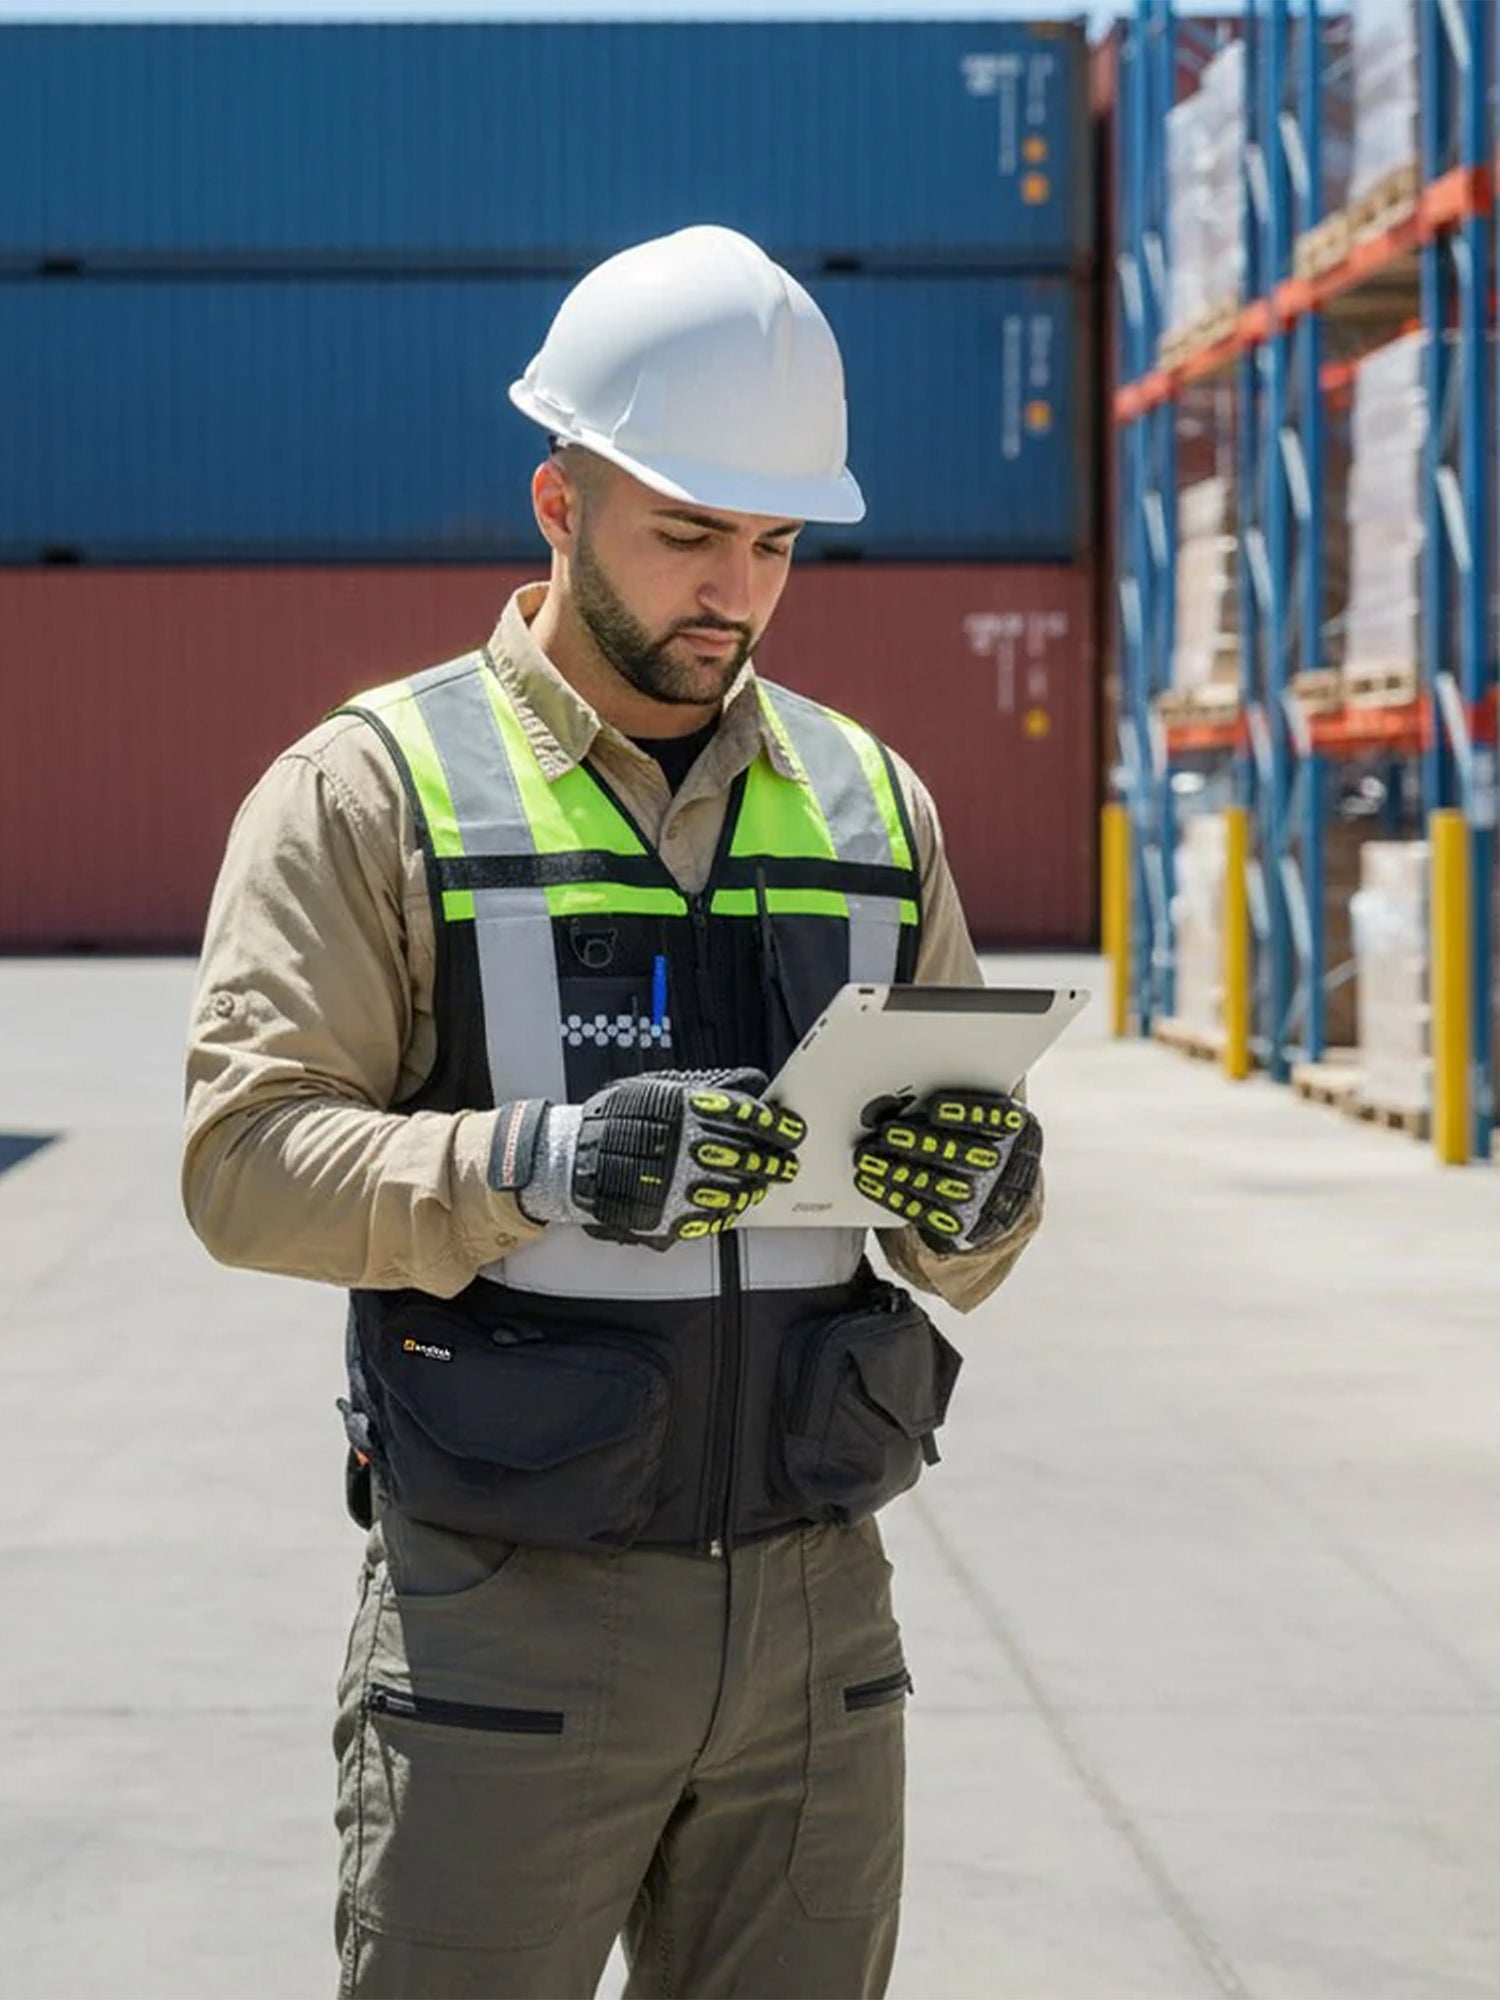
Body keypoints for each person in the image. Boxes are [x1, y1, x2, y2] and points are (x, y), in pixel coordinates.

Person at [182, 224, 1043, 2000]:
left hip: (818, 1619)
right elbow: (241, 1166)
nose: (736, 590)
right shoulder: (371, 789)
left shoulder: (876, 804)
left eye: (776, 544)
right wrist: (547, 1160)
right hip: (509, 1620)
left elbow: (964, 1239)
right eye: (688, 531)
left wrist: (986, 1194)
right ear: (558, 505)